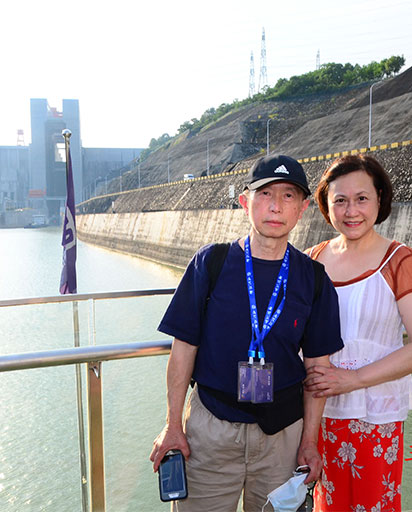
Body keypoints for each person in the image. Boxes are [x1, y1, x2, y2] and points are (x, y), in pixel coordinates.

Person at [150, 154, 344, 511]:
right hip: (210, 430)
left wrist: (309, 441)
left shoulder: (313, 279)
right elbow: (183, 349)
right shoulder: (211, 263)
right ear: (245, 203)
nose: (276, 206)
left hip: (282, 437)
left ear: (302, 209)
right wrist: (172, 425)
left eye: (288, 196)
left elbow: (318, 370)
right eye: (265, 193)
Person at [304, 155, 412, 512]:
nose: (352, 211)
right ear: (325, 205)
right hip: (318, 411)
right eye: (340, 200)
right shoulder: (310, 261)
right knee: (325, 503)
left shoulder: (400, 261)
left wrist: (354, 378)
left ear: (380, 199)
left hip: (374, 413)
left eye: (362, 198)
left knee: (372, 504)